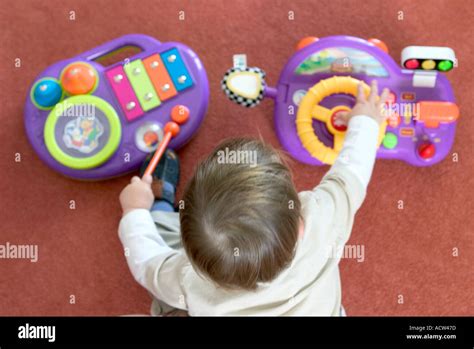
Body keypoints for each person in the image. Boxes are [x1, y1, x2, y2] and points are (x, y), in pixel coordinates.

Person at [118, 81, 389, 316]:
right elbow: (350, 173)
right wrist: (365, 122)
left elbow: (148, 265)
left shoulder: (191, 281)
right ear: (300, 225)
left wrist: (134, 211)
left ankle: (161, 206)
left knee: (160, 251)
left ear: (196, 258)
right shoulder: (324, 219)